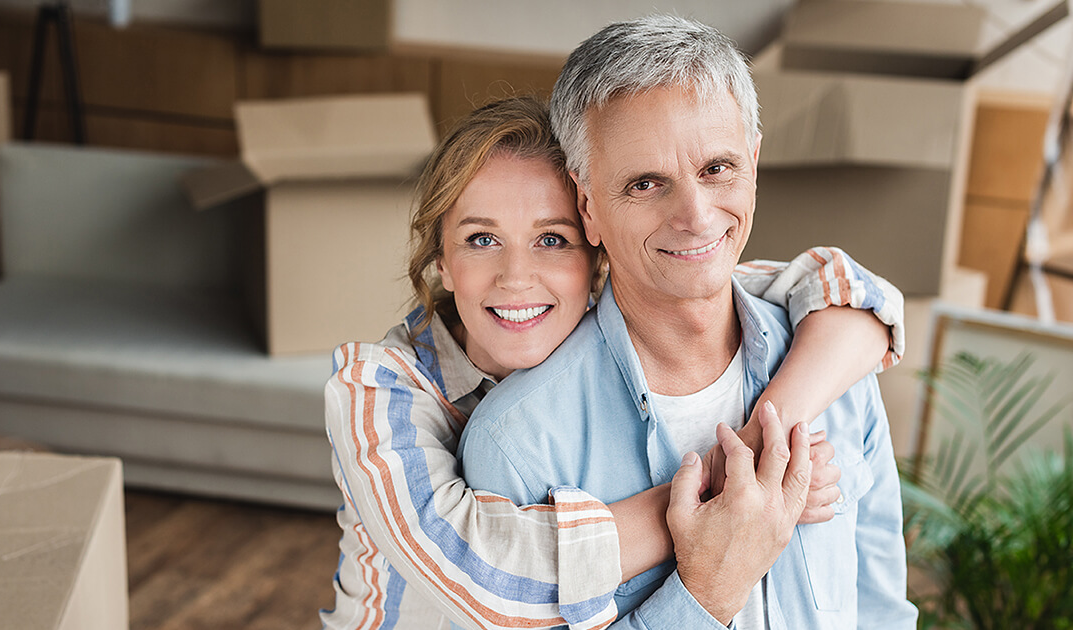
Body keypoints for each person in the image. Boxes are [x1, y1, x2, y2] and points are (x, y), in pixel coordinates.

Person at [322, 95, 905, 629]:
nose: (517, 277)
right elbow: (488, 577)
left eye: (552, 239)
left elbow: (847, 291)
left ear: (597, 249)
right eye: (480, 239)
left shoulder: (618, 307)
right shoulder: (377, 390)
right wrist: (729, 487)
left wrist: (763, 434)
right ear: (441, 264)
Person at [459, 15, 918, 630]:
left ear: (753, 164)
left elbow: (882, 607)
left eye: (717, 169)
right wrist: (706, 592)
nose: (696, 216)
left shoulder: (833, 363)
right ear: (588, 204)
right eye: (646, 183)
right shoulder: (517, 447)